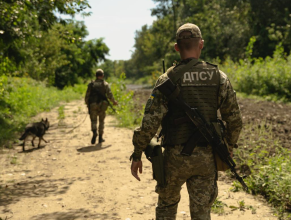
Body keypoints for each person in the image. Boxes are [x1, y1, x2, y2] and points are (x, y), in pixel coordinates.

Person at [130, 23, 243, 220]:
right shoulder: (219, 77)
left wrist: (137, 153)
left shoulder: (167, 79)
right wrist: (229, 146)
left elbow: (150, 123)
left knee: (166, 206)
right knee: (201, 212)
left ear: (177, 47)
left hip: (174, 157)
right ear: (201, 44)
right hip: (206, 158)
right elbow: (234, 120)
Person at [85, 69, 118, 144]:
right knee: (101, 121)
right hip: (102, 105)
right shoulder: (105, 84)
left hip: (92, 104)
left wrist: (88, 105)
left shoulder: (91, 84)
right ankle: (100, 138)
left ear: (96, 76)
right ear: (102, 76)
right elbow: (110, 95)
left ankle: (94, 133)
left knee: (93, 121)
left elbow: (87, 96)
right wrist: (114, 102)